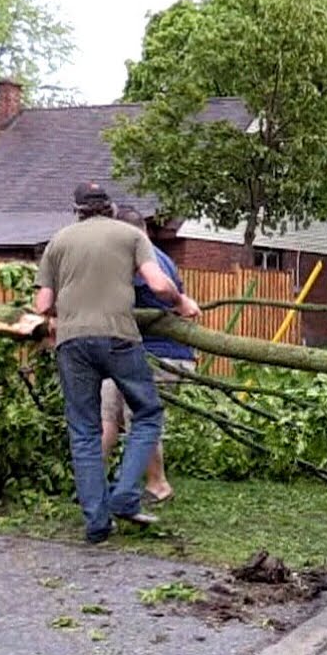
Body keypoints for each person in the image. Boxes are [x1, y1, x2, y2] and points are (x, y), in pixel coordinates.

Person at [34, 183, 201, 544]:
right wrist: (181, 303)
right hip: (119, 338)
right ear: (108, 207)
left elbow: (43, 304)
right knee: (147, 413)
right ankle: (125, 496)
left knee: (84, 431)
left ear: (76, 210)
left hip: (72, 343)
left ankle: (96, 524)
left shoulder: (58, 241)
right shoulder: (131, 235)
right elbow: (158, 284)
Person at [100, 207, 196, 505]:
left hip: (160, 354)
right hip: (128, 351)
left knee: (140, 417)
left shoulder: (148, 259)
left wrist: (180, 302)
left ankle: (158, 484)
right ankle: (90, 480)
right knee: (107, 414)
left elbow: (159, 288)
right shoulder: (128, 258)